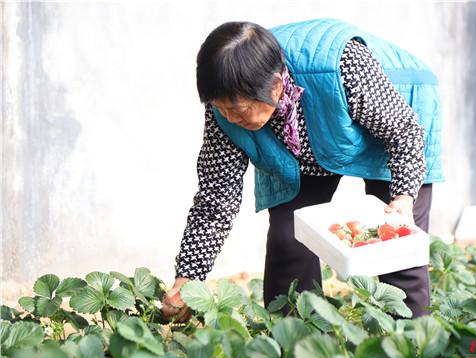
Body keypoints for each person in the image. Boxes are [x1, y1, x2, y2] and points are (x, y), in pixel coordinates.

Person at [161, 19, 443, 322]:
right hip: (309, 137)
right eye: (222, 109)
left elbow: (403, 131)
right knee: (288, 236)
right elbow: (216, 196)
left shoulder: (343, 66)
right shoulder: (226, 105)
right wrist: (188, 276)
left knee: (396, 243)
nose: (229, 117)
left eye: (239, 110)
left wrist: (403, 198)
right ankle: (298, 348)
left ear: (277, 86)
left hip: (393, 116)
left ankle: (412, 349)